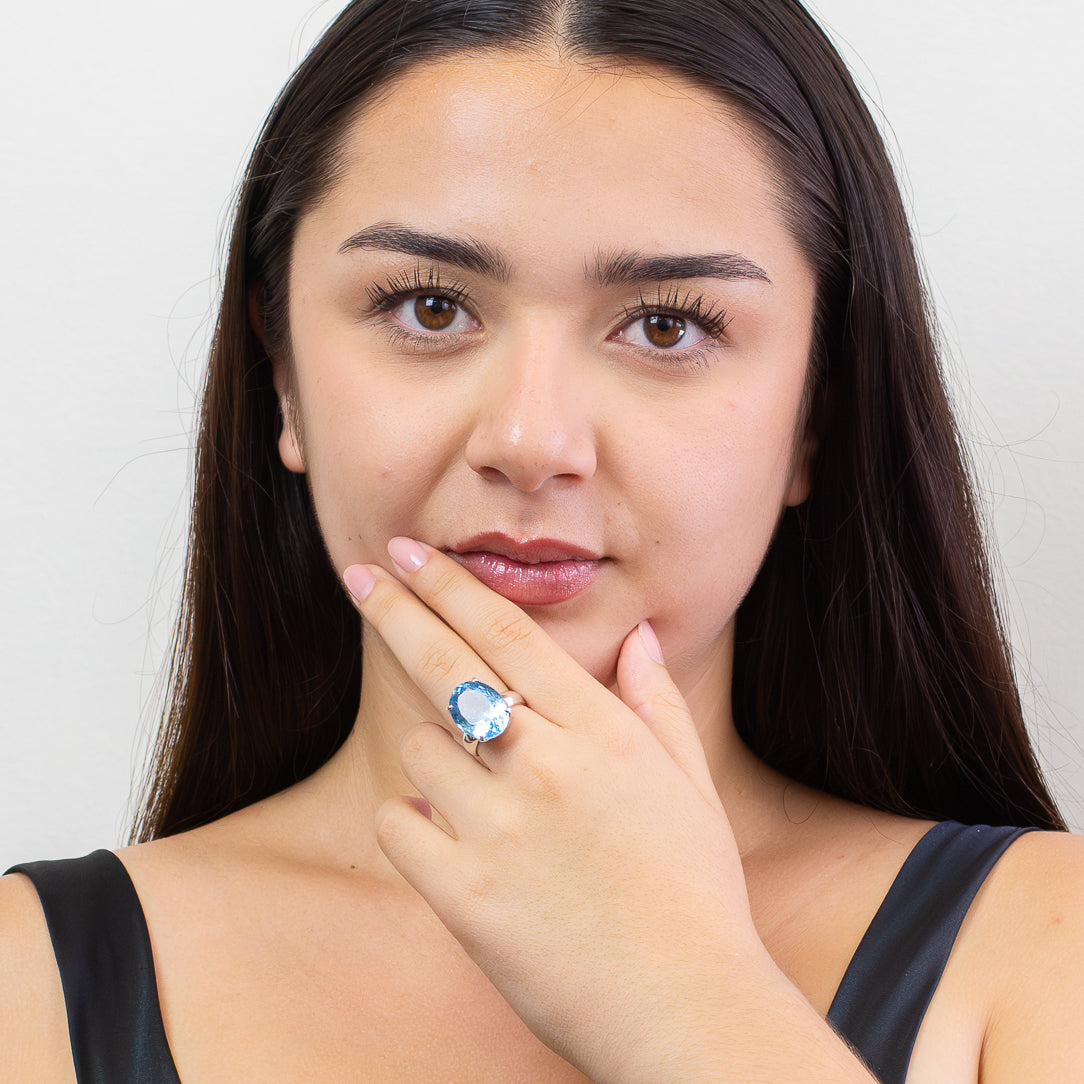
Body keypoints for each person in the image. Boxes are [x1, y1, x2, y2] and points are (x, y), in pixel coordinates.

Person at [2, 0, 1081, 1080]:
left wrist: (685, 997)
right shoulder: (32, 980)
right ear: (281, 376)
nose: (529, 441)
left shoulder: (1045, 947)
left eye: (667, 324)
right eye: (428, 307)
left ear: (815, 413)